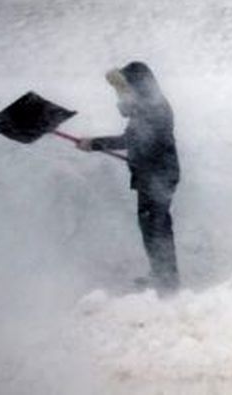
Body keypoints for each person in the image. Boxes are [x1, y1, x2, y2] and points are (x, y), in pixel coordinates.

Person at [77, 61, 180, 294]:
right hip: (152, 173)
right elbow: (133, 132)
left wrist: (94, 144)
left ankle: (167, 281)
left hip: (159, 176)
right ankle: (162, 274)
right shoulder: (147, 105)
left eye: (127, 86)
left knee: (156, 227)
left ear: (140, 85)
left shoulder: (154, 108)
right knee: (152, 226)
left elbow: (133, 140)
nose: (123, 92)